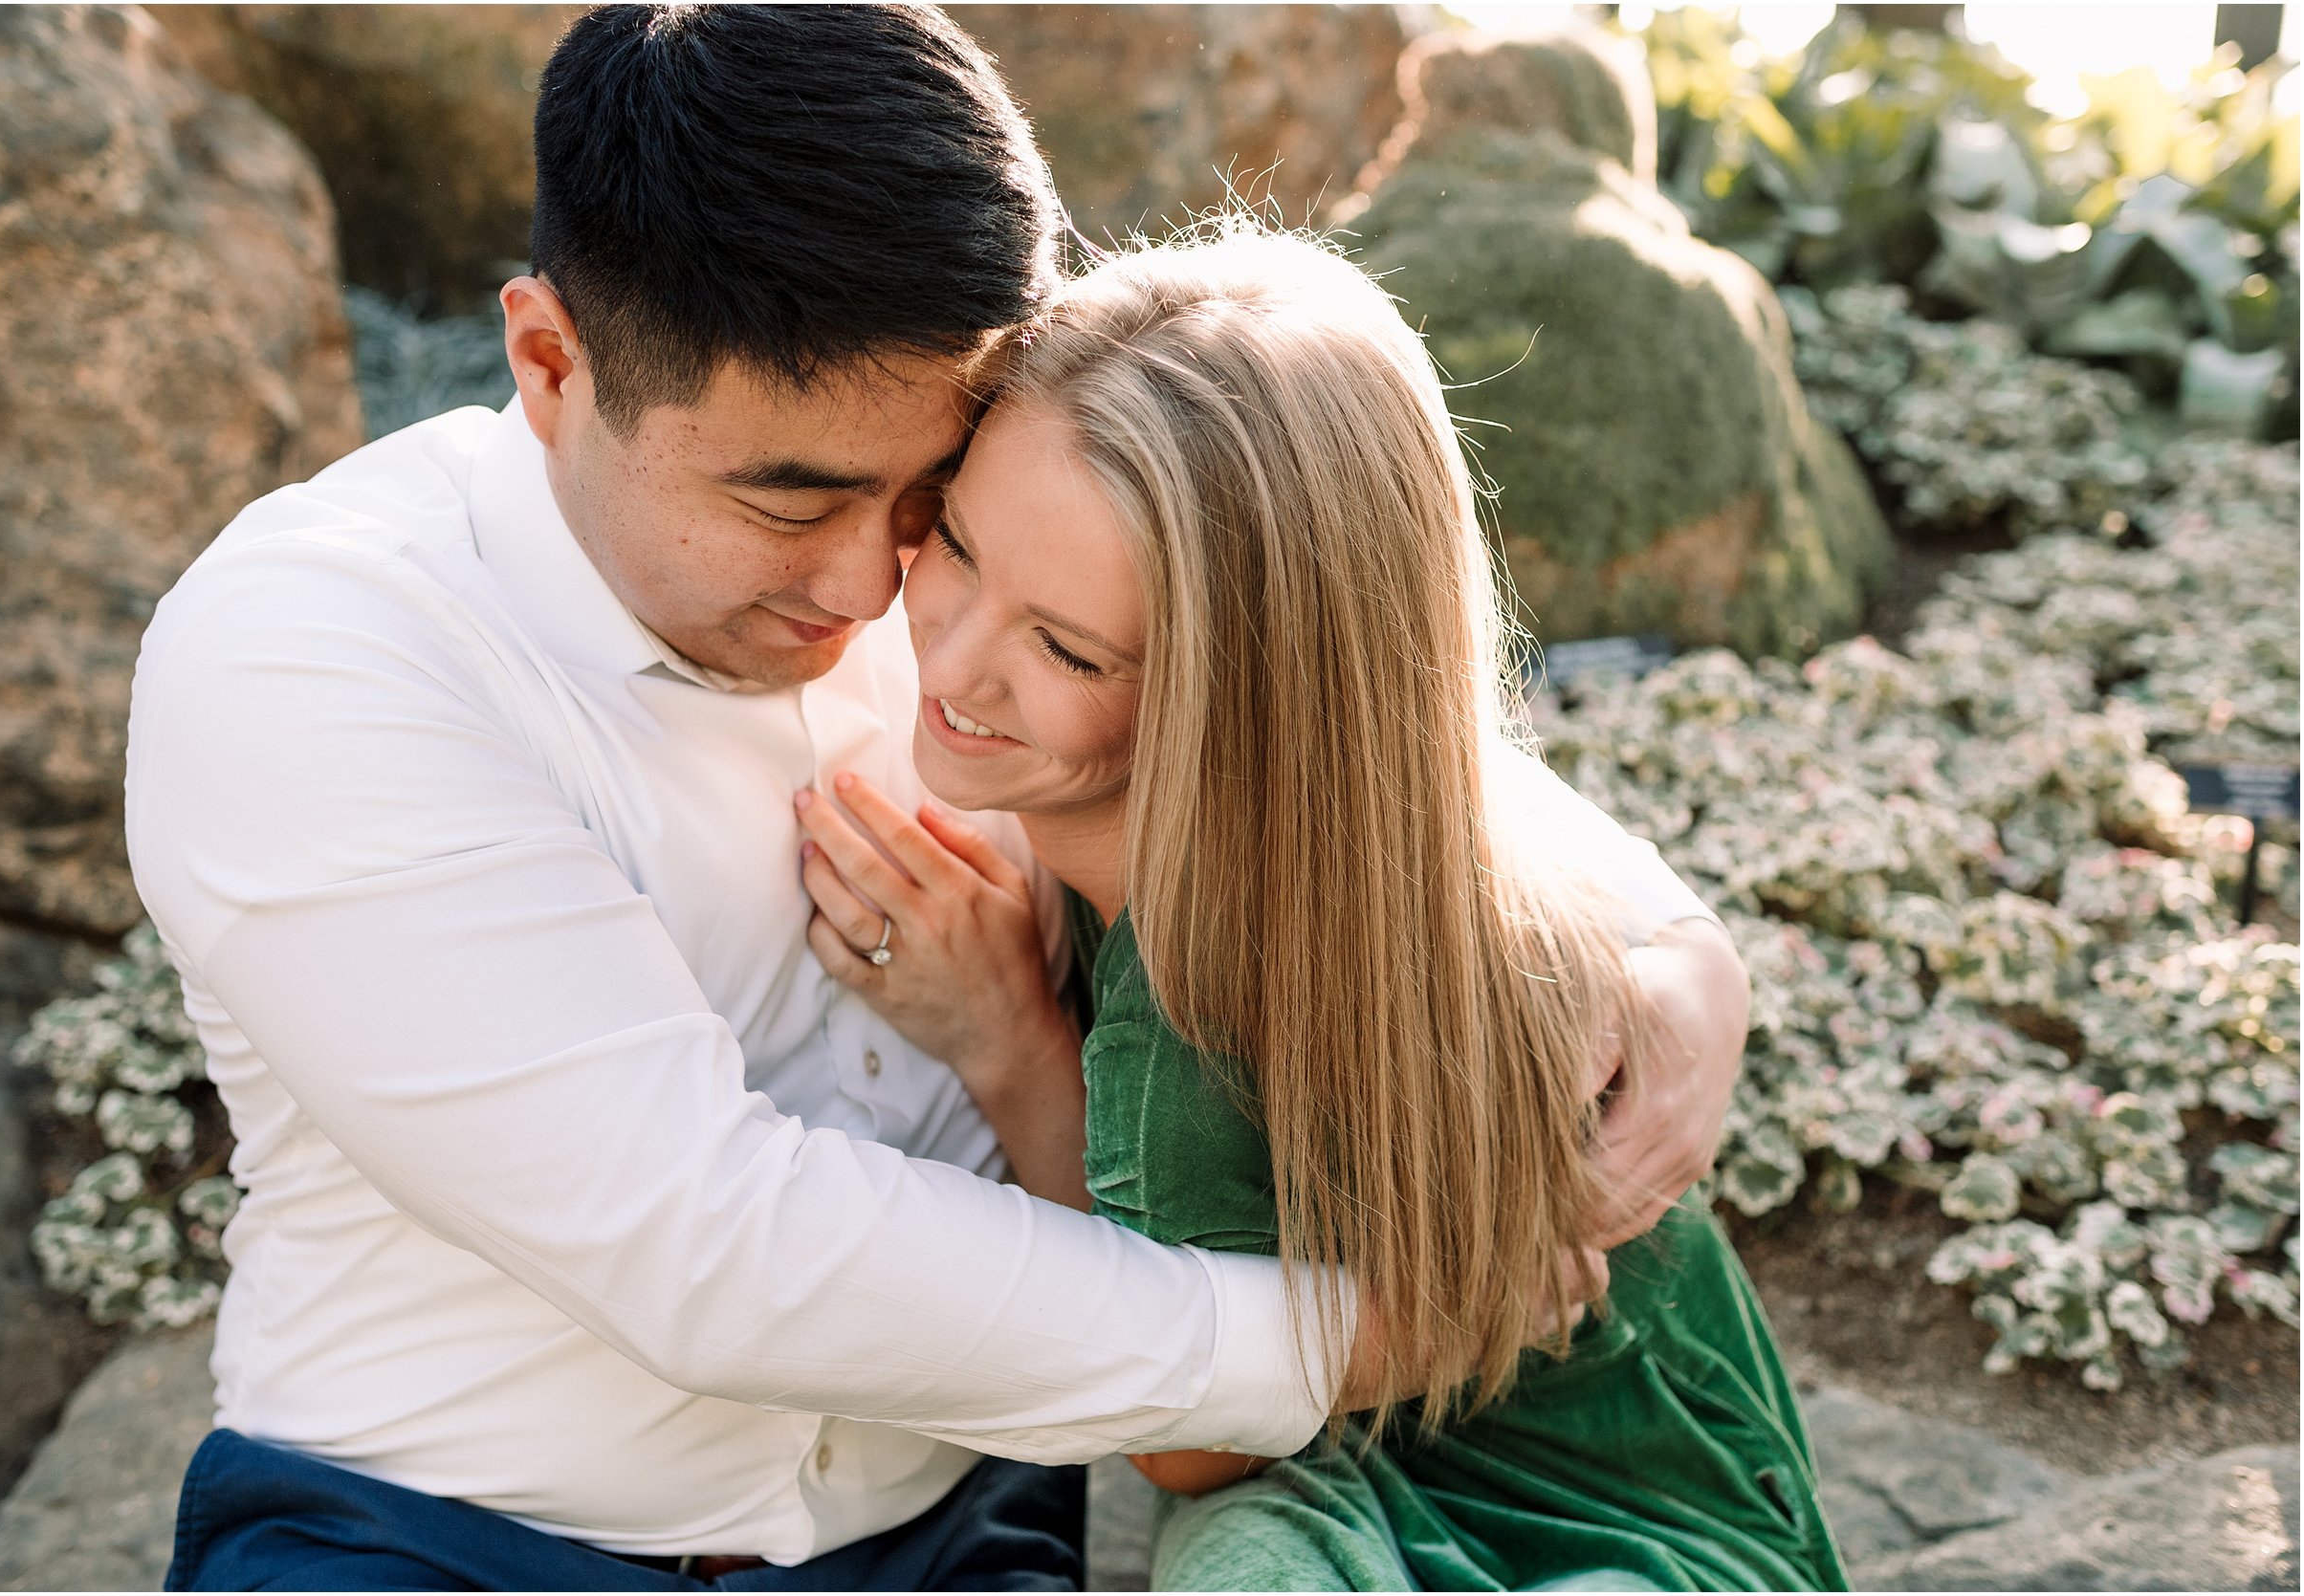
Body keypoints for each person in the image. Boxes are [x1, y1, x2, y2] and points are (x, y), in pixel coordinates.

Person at [129, 6, 1748, 1589]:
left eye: (931, 498)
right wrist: (1365, 1328)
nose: (875, 590)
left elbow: (1301, 704)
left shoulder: (971, 575)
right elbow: (710, 1247)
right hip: (447, 1538)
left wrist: (1662, 937)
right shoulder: (312, 657)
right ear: (551, 362)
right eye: (792, 500)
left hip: (958, 1532)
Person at [795, 224, 1852, 1591]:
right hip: (1334, 1476)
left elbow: (1182, 1440)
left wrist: (1010, 1045)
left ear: (1237, 700)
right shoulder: (1344, 822)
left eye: (1065, 646)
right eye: (954, 540)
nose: (954, 653)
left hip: (1624, 1516)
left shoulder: (1189, 1004)